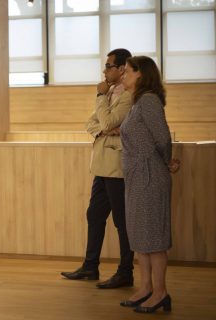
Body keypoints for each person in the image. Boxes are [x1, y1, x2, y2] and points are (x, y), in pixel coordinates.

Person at [61, 49, 135, 289]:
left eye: (109, 66)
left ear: (122, 68)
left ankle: (126, 271)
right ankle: (90, 266)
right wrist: (105, 130)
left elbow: (108, 121)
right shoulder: (110, 91)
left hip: (117, 167)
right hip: (101, 166)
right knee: (94, 215)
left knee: (122, 222)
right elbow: (91, 123)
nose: (104, 71)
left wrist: (101, 100)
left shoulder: (127, 95)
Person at [119, 56, 180, 313]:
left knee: (153, 235)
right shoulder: (136, 103)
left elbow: (163, 138)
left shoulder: (149, 100)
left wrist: (165, 162)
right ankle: (145, 288)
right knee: (140, 234)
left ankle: (161, 291)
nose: (123, 75)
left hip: (150, 175)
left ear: (140, 75)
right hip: (137, 175)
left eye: (127, 71)